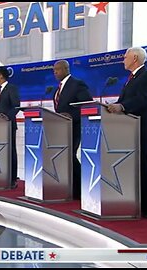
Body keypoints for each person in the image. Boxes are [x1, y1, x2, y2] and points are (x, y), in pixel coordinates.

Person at [107, 47, 147, 218]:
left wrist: (122, 106)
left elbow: (143, 98)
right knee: (134, 166)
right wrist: (114, 105)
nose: (123, 59)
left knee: (143, 164)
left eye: (125, 57)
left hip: (144, 128)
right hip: (129, 128)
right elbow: (126, 100)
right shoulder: (131, 78)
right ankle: (136, 203)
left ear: (135, 58)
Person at [53, 60, 93, 200]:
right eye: (54, 70)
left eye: (58, 69)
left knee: (70, 155)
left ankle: (83, 187)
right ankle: (73, 188)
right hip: (62, 128)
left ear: (66, 69)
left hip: (74, 126)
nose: (55, 72)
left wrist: (71, 115)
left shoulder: (77, 84)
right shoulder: (58, 88)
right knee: (65, 156)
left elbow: (87, 105)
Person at [0, 67, 21, 189]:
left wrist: (7, 117)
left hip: (8, 125)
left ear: (1, 76)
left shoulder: (11, 89)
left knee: (11, 151)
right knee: (0, 151)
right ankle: (1, 175)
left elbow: (16, 106)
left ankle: (13, 178)